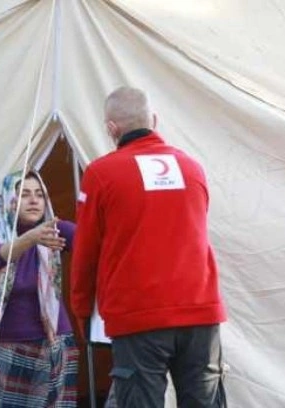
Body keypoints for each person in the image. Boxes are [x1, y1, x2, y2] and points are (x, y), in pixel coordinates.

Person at [71, 86, 227, 408]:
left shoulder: (101, 174)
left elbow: (86, 252)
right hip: (200, 311)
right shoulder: (191, 168)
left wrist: (82, 312)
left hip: (139, 316)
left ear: (111, 129)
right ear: (154, 120)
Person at [0, 170, 78, 407]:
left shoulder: (53, 228)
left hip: (56, 341)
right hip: (9, 345)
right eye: (24, 195)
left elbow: (92, 242)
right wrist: (31, 238)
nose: (34, 201)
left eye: (39, 195)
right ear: (7, 199)